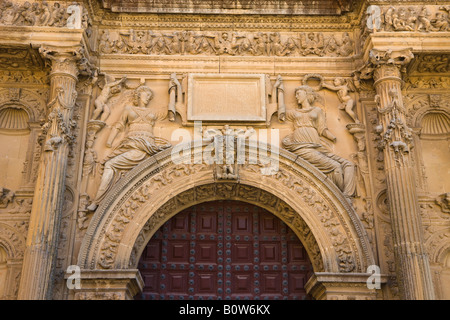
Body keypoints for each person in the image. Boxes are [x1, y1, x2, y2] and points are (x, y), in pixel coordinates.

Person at [87, 85, 171, 211]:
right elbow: (119, 125)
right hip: (130, 145)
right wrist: (109, 140)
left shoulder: (152, 112)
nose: (148, 98)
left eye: (149, 96)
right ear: (138, 95)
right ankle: (99, 200)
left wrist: (173, 89)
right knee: (109, 164)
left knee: (110, 164)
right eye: (146, 94)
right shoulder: (128, 109)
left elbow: (169, 111)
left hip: (145, 147)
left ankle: (98, 201)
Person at [281, 85, 356, 198]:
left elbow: (322, 129)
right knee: (336, 166)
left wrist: (333, 137)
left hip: (316, 146)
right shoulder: (294, 112)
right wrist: (280, 90)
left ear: (307, 94)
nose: (296, 96)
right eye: (296, 94)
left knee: (348, 164)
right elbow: (280, 111)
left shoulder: (317, 110)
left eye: (299, 93)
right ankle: (342, 197)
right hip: (302, 147)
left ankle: (347, 195)